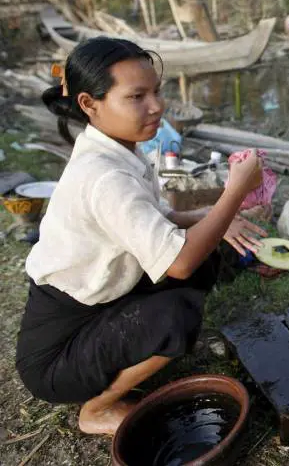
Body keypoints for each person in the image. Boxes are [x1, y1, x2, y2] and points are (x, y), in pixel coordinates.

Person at [15, 37, 267, 436]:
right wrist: (233, 193)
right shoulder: (104, 177)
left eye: (156, 92)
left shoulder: (121, 149)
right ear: (88, 103)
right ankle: (96, 409)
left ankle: (125, 357)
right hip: (57, 355)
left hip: (101, 301)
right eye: (137, 96)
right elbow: (179, 263)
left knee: (208, 254)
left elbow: (161, 217)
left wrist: (217, 215)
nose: (157, 106)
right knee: (177, 313)